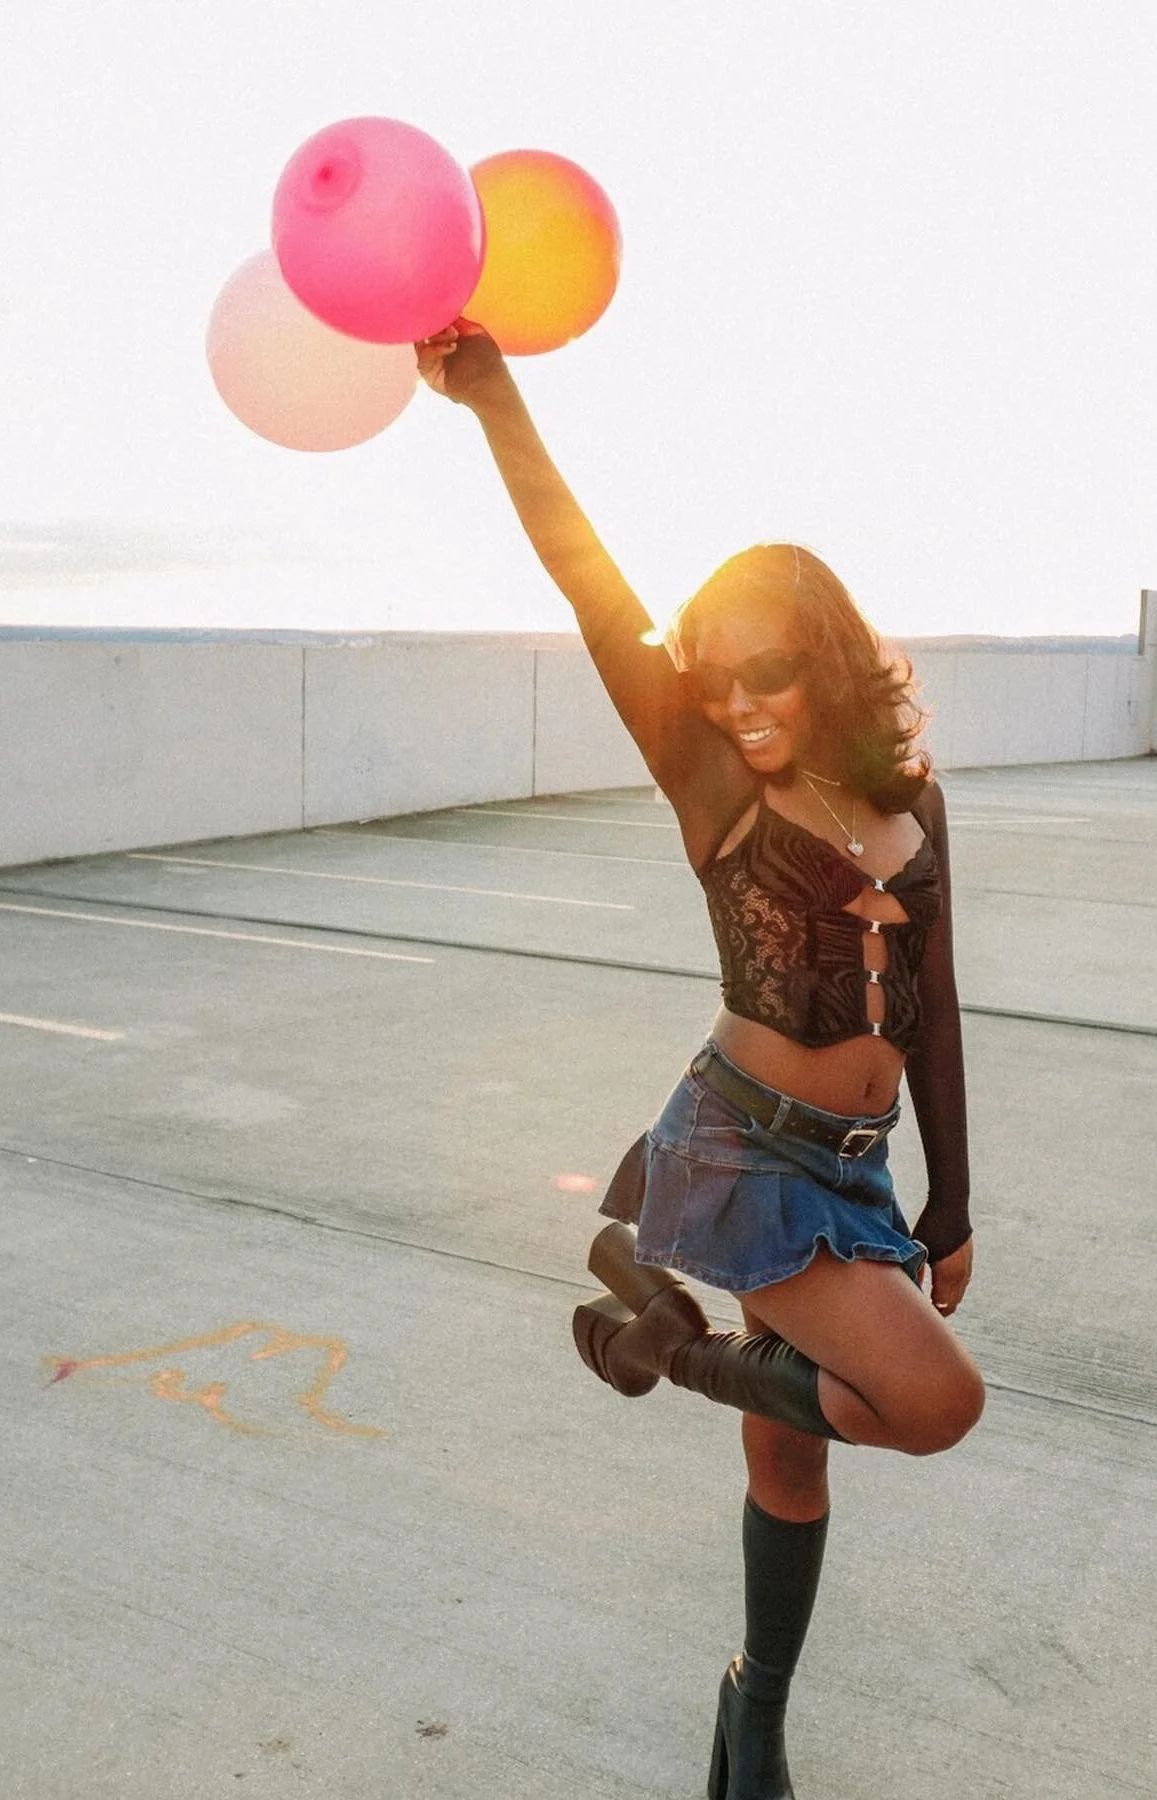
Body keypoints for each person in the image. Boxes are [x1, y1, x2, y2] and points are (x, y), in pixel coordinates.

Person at [417, 323, 983, 1800]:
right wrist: (495, 396)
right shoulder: (712, 779)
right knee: (929, 1404)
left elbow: (935, 1004)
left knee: (793, 1463)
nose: (738, 700)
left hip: (855, 1178)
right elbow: (584, 573)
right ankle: (672, 1345)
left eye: (771, 673)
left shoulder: (916, 803)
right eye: (718, 673)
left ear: (839, 661)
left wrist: (953, 1203)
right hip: (738, 1151)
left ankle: (756, 1720)